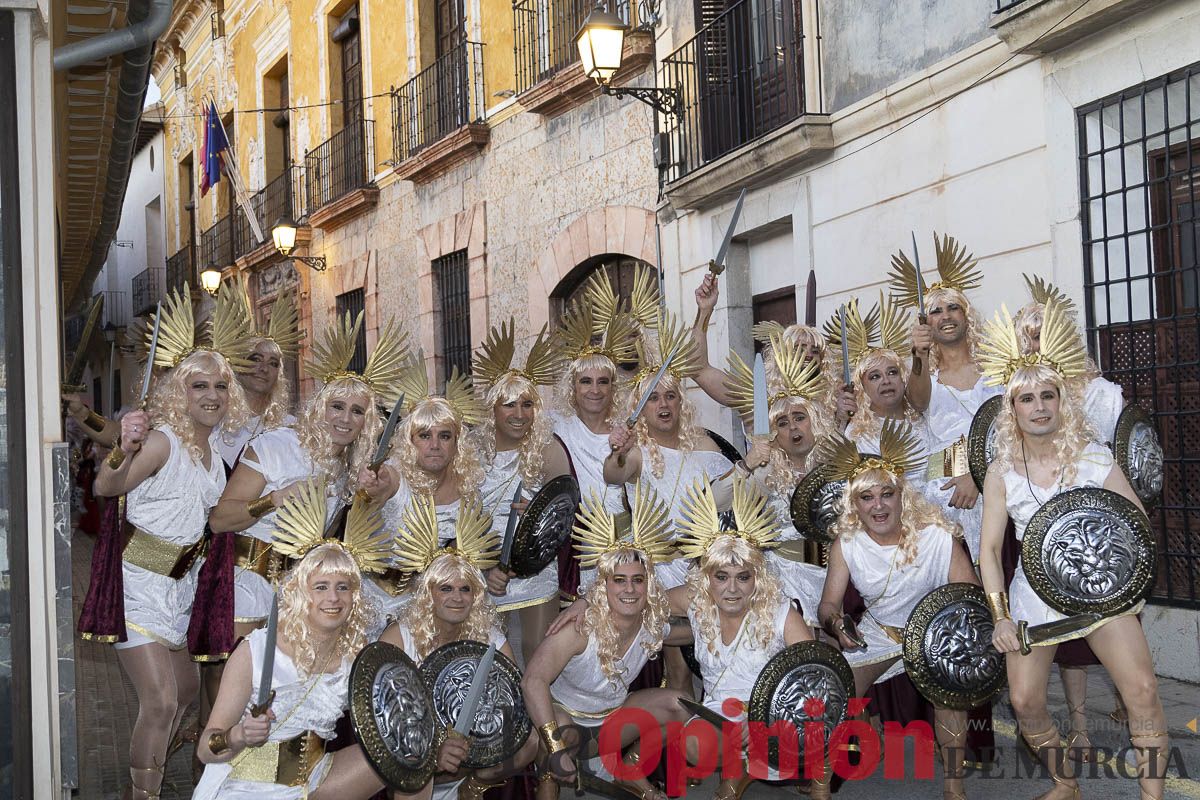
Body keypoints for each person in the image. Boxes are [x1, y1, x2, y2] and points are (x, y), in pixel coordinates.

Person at [978, 300, 1168, 800]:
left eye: (1048, 396)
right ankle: (1066, 783)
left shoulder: (1093, 457)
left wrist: (1125, 585)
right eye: (1027, 399)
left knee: (1144, 692)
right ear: (1012, 408)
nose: (1039, 407)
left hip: (1099, 594)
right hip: (1033, 599)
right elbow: (990, 548)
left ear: (1063, 402)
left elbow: (1135, 522)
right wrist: (1000, 617)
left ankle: (1153, 797)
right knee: (1024, 702)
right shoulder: (1001, 472)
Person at [86, 285, 251, 799]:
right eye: (199, 385)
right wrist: (124, 448)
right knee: (159, 702)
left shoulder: (213, 455)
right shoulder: (162, 442)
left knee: (182, 693)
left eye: (221, 386)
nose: (211, 395)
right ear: (179, 392)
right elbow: (104, 488)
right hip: (136, 586)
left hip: (180, 593)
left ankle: (157, 756)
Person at [208, 309, 406, 640]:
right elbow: (218, 520)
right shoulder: (276, 445)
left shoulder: (350, 469)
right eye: (337, 407)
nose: (345, 418)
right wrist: (274, 499)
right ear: (320, 408)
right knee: (232, 679)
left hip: (298, 595)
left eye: (357, 411)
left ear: (366, 423)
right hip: (244, 582)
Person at [814, 420, 978, 800]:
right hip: (880, 631)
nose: (879, 505)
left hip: (935, 634)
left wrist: (949, 644)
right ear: (854, 505)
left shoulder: (937, 537)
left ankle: (954, 789)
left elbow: (970, 597)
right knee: (832, 693)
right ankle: (821, 789)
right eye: (867, 497)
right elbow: (828, 604)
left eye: (887, 493)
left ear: (902, 496)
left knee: (949, 695)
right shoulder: (848, 544)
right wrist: (837, 623)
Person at [193, 488, 394, 799]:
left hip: (313, 779)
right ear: (302, 594)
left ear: (355, 597)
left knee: (395, 757)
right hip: (246, 784)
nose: (333, 598)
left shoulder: (356, 655)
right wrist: (239, 734)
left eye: (343, 587)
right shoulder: (256, 651)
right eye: (321, 587)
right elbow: (207, 749)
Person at [1012, 275, 1129, 763]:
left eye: (1046, 330)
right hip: (1045, 525)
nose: (1038, 340)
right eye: (1031, 332)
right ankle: (1078, 726)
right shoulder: (1024, 389)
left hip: (1100, 527)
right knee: (1065, 642)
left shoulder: (1102, 392)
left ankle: (1127, 705)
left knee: (1116, 633)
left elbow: (1124, 451)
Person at [524, 485, 690, 800]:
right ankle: (548, 781)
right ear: (604, 586)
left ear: (647, 585)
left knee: (682, 706)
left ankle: (631, 770)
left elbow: (691, 629)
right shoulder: (577, 627)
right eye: (619, 580)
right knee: (556, 725)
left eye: (637, 580)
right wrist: (557, 748)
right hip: (567, 724)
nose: (629, 589)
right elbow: (533, 681)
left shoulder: (649, 626)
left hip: (613, 724)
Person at [379, 493, 538, 799]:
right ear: (429, 594)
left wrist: (481, 735)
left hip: (472, 756)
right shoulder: (399, 637)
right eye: (446, 589)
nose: (457, 597)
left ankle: (472, 790)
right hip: (414, 763)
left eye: (465, 589)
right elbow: (388, 719)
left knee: (530, 739)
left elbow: (514, 699)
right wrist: (435, 746)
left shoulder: (490, 636)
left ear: (476, 595)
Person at [664, 474, 814, 800]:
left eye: (742, 577)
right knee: (692, 744)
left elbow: (813, 672)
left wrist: (767, 718)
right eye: (722, 577)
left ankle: (746, 768)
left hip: (776, 712)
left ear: (756, 578)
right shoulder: (696, 598)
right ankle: (737, 765)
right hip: (721, 711)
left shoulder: (779, 610)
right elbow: (638, 601)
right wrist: (589, 603)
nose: (732, 589)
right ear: (708, 578)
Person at [604, 310, 734, 590]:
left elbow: (732, 500)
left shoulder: (706, 445)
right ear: (641, 409)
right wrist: (618, 452)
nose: (663, 404)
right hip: (654, 573)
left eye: (670, 396)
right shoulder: (637, 454)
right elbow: (612, 475)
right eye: (652, 399)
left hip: (704, 568)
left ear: (680, 404)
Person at [890, 233, 997, 563]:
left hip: (996, 479)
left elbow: (1009, 431)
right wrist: (918, 355)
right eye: (936, 311)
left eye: (954, 308)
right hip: (945, 489)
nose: (946, 316)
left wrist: (978, 477)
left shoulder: (995, 370)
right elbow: (918, 402)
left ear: (967, 317)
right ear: (927, 323)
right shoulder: (926, 377)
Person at [470, 319, 572, 665]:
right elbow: (457, 520)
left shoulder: (549, 450)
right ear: (493, 409)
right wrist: (485, 570)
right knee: (493, 668)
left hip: (535, 575)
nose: (518, 414)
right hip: (484, 576)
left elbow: (568, 515)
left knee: (537, 665)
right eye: (509, 404)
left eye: (527, 404)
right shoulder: (470, 453)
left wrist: (539, 516)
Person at [723, 331, 833, 620]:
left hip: (832, 576)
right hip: (782, 578)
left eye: (799, 418)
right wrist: (747, 464)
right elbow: (718, 503)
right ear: (774, 433)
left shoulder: (833, 467)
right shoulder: (766, 471)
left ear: (815, 422)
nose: (793, 428)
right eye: (782, 423)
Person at [548, 271, 644, 592]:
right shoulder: (557, 431)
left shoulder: (628, 430)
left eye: (603, 381)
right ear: (572, 388)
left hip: (627, 544)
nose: (594, 390)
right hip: (581, 550)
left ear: (612, 387)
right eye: (585, 382)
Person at [374, 354, 486, 611]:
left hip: (444, 607)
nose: (434, 445)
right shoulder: (394, 476)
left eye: (444, 436)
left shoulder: (469, 488)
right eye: (425, 435)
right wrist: (370, 485)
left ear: (457, 443)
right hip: (385, 607)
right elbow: (377, 487)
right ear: (410, 441)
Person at [691, 273, 854, 428]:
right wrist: (704, 311)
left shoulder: (834, 400)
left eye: (816, 350)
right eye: (799, 348)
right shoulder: (759, 396)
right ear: (781, 355)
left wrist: (840, 418)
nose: (809, 354)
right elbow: (698, 368)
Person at [214, 280, 303, 468]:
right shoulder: (215, 420)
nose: (264, 368)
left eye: (273, 363)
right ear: (237, 365)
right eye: (255, 358)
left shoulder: (289, 426)